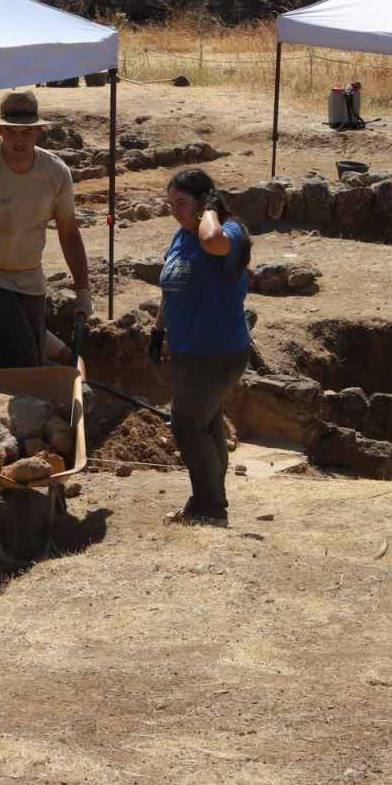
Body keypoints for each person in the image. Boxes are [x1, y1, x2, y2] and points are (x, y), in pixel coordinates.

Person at [0, 90, 93, 368]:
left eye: (26, 133)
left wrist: (83, 291)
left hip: (30, 278)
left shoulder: (55, 172)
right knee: (21, 356)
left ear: (38, 132)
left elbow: (69, 235)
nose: (19, 141)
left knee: (29, 356)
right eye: (11, 133)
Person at [152, 168, 253, 527]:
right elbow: (172, 282)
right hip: (186, 348)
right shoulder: (182, 235)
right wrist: (158, 329)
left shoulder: (231, 233)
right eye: (171, 204)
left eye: (182, 203)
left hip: (218, 352)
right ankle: (208, 504)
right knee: (207, 425)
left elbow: (212, 242)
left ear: (204, 200)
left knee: (186, 426)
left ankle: (210, 508)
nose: (176, 212)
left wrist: (210, 210)